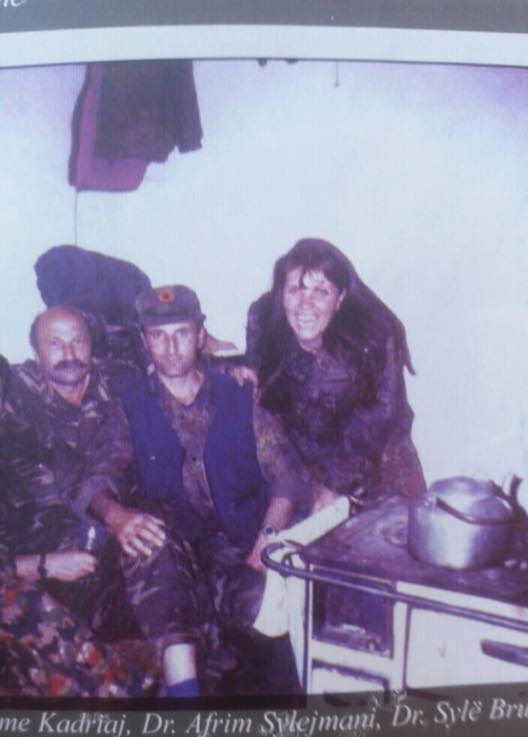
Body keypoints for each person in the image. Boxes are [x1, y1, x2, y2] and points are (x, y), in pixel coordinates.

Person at [90, 284, 302, 696]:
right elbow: (97, 479)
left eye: (182, 333)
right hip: (174, 555)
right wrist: (117, 516)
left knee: (266, 615)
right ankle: (185, 700)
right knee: (151, 543)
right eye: (158, 336)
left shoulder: (239, 393)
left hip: (240, 548)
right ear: (144, 342)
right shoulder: (129, 406)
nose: (171, 348)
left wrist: (268, 537)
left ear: (200, 336)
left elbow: (287, 477)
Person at [0, 351, 156, 697]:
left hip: (61, 563)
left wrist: (113, 517)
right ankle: (119, 692)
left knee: (144, 546)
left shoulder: (19, 440)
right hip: (26, 580)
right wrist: (43, 565)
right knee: (22, 604)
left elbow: (79, 482)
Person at [242, 238, 425, 512]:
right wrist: (244, 369)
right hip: (310, 468)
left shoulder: (374, 339)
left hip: (383, 466)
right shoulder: (264, 321)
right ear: (281, 295)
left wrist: (334, 487)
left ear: (340, 299)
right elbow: (256, 371)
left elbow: (375, 424)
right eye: (295, 290)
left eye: (321, 292)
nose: (305, 304)